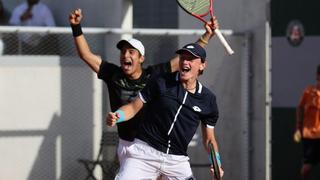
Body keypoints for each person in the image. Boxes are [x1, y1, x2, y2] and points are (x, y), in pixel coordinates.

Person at [69, 8, 217, 175]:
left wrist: (206, 36)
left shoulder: (154, 76)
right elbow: (86, 55)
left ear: (141, 58)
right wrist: (76, 27)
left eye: (131, 52)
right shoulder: (112, 74)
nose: (126, 55)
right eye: (123, 51)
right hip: (130, 145)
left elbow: (185, 60)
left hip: (155, 145)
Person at [106, 42, 224, 179]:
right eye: (182, 58)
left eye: (190, 59)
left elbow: (209, 140)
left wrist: (216, 163)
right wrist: (117, 116)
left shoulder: (208, 99)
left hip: (176, 160)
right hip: (144, 153)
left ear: (202, 65)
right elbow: (133, 107)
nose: (185, 61)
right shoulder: (161, 81)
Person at [294, 64, 320, 180]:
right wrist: (298, 125)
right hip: (310, 136)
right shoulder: (309, 92)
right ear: (317, 76)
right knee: (306, 169)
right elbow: (299, 107)